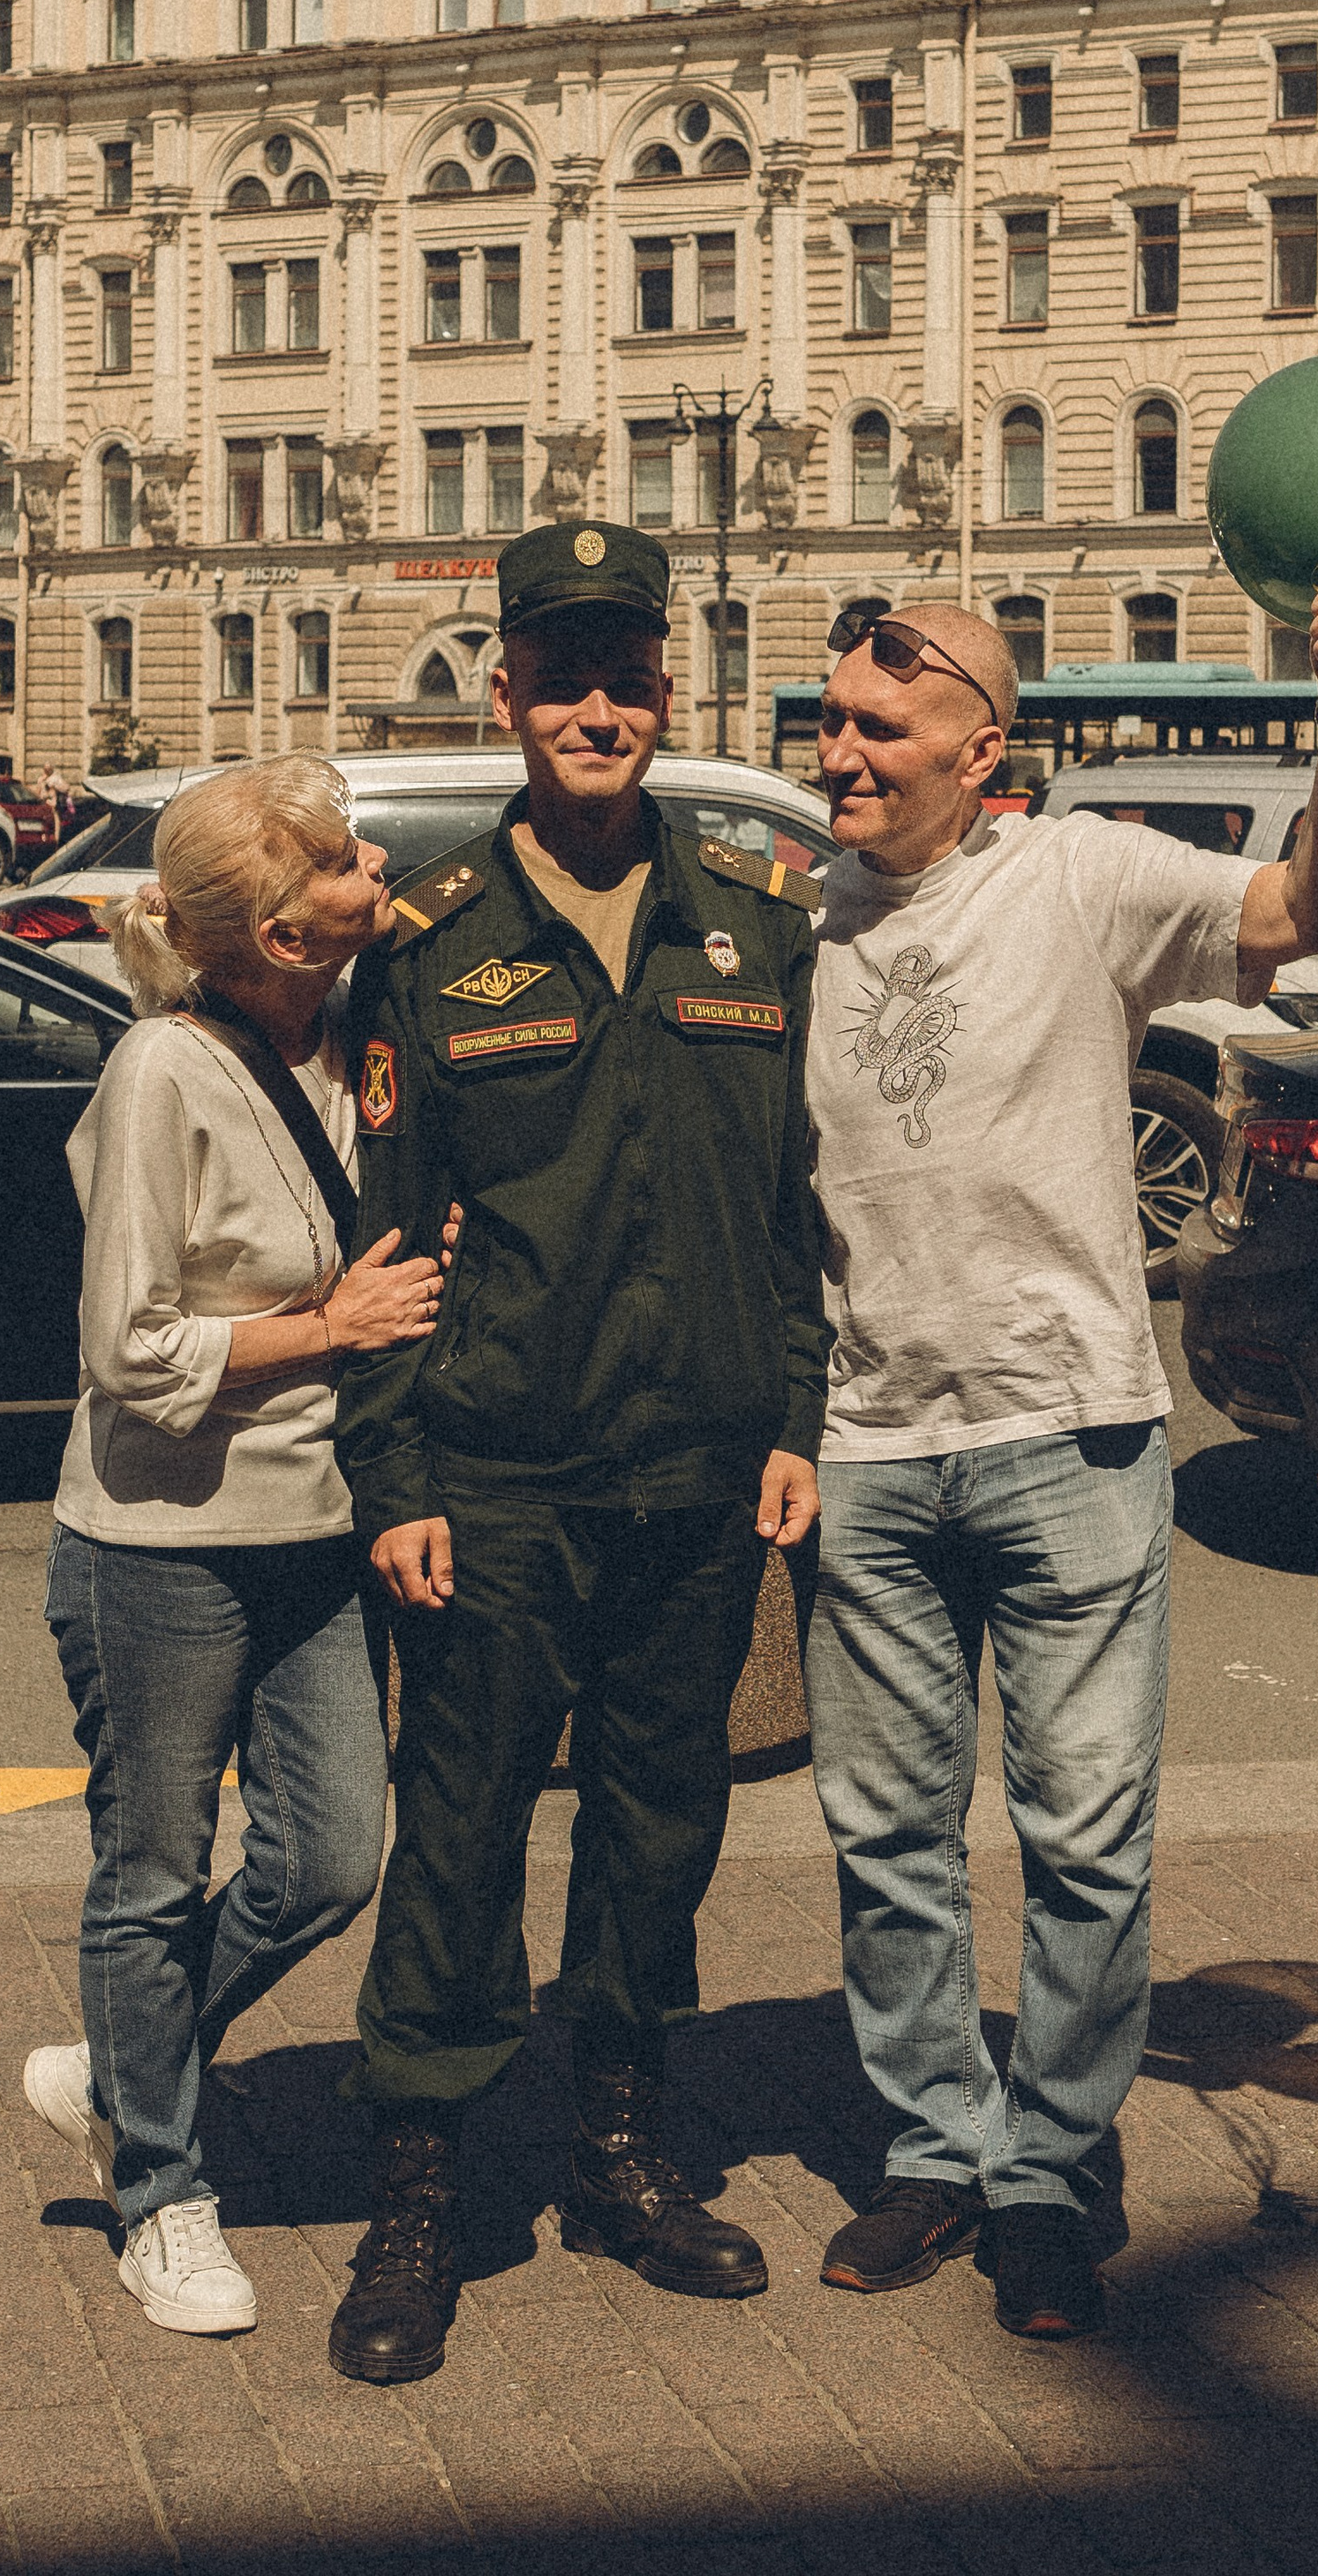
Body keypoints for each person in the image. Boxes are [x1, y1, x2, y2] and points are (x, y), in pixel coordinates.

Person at [802, 561, 1318, 2339]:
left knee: (1083, 1840)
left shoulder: (1084, 874)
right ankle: (928, 2144)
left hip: (1065, 1431)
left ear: (981, 753)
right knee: (888, 1835)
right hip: (867, 1445)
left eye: (874, 725)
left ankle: (1043, 2173)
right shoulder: (795, 916)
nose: (836, 750)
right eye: (827, 719)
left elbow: (1315, 907)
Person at [327, 519, 829, 2388]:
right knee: (455, 1842)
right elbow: (386, 1238)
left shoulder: (752, 919)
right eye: (562, 672)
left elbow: (789, 1212)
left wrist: (794, 1416)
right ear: (509, 687)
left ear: (666, 691)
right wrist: (395, 1481)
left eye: (627, 673)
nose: (596, 706)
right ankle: (423, 2192)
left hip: (696, 1475)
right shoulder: (432, 942)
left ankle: (623, 2149)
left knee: (658, 1831)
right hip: (499, 1477)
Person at [24, 757, 449, 2339]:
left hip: (316, 1525)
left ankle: (124, 2069)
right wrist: (327, 1326)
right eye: (346, 860)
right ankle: (161, 2196)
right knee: (151, 1871)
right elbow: (129, 1347)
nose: (376, 865)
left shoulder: (357, 1041)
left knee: (333, 1854)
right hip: (158, 1541)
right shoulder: (160, 1070)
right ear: (281, 930)